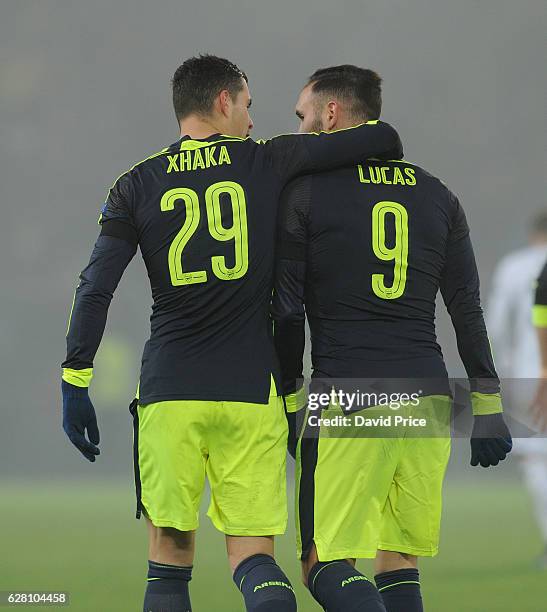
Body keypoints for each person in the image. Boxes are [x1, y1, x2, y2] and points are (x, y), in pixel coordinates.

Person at [60, 54, 403, 612]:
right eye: (247, 105)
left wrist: (76, 380)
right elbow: (381, 136)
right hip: (252, 392)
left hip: (171, 391)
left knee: (168, 567)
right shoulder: (268, 161)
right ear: (224, 101)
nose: (251, 119)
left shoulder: (135, 184)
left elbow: (94, 287)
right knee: (255, 560)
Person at [272, 64, 512, 612]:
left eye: (303, 115)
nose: (300, 126)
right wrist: (489, 406)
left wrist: (290, 399)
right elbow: (466, 312)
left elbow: (287, 311)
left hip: (351, 395)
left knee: (324, 563)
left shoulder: (305, 195)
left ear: (332, 113)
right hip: (427, 398)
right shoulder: (439, 195)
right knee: (399, 562)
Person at [495, 218, 547, 567]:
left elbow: (497, 326)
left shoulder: (516, 267)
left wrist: (501, 372)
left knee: (537, 462)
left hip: (533, 378)